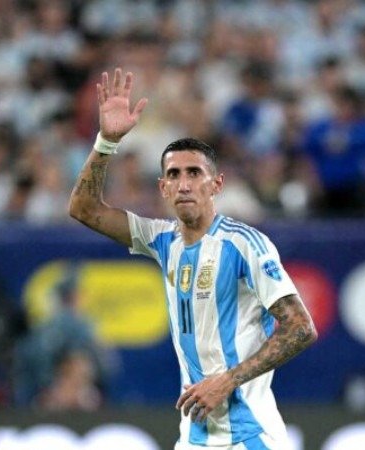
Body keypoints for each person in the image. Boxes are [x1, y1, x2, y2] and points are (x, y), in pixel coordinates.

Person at [69, 68, 317, 449]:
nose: (184, 183)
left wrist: (228, 379)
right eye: (174, 174)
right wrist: (106, 142)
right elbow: (84, 209)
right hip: (195, 438)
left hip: (250, 436)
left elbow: (301, 327)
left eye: (194, 173)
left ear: (216, 184)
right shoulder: (161, 240)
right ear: (163, 187)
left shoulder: (245, 244)